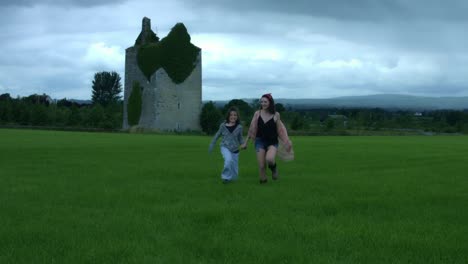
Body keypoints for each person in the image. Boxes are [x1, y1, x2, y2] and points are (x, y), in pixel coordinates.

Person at [241, 93, 292, 184]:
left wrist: (286, 142)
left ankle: (274, 168)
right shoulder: (257, 114)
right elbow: (252, 129)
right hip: (259, 141)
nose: (263, 103)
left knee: (270, 159)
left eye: (265, 102)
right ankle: (263, 182)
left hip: (272, 142)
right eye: (262, 102)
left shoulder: (276, 115)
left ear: (270, 103)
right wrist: (245, 143)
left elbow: (280, 130)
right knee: (261, 166)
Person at [209, 107, 245, 184]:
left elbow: (240, 138)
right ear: (228, 116)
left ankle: (233, 180)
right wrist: (212, 144)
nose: (233, 116)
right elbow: (217, 135)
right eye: (231, 115)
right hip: (225, 147)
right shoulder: (223, 126)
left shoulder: (239, 127)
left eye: (235, 115)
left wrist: (243, 144)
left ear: (237, 117)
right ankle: (225, 178)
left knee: (234, 170)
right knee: (228, 160)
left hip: (235, 149)